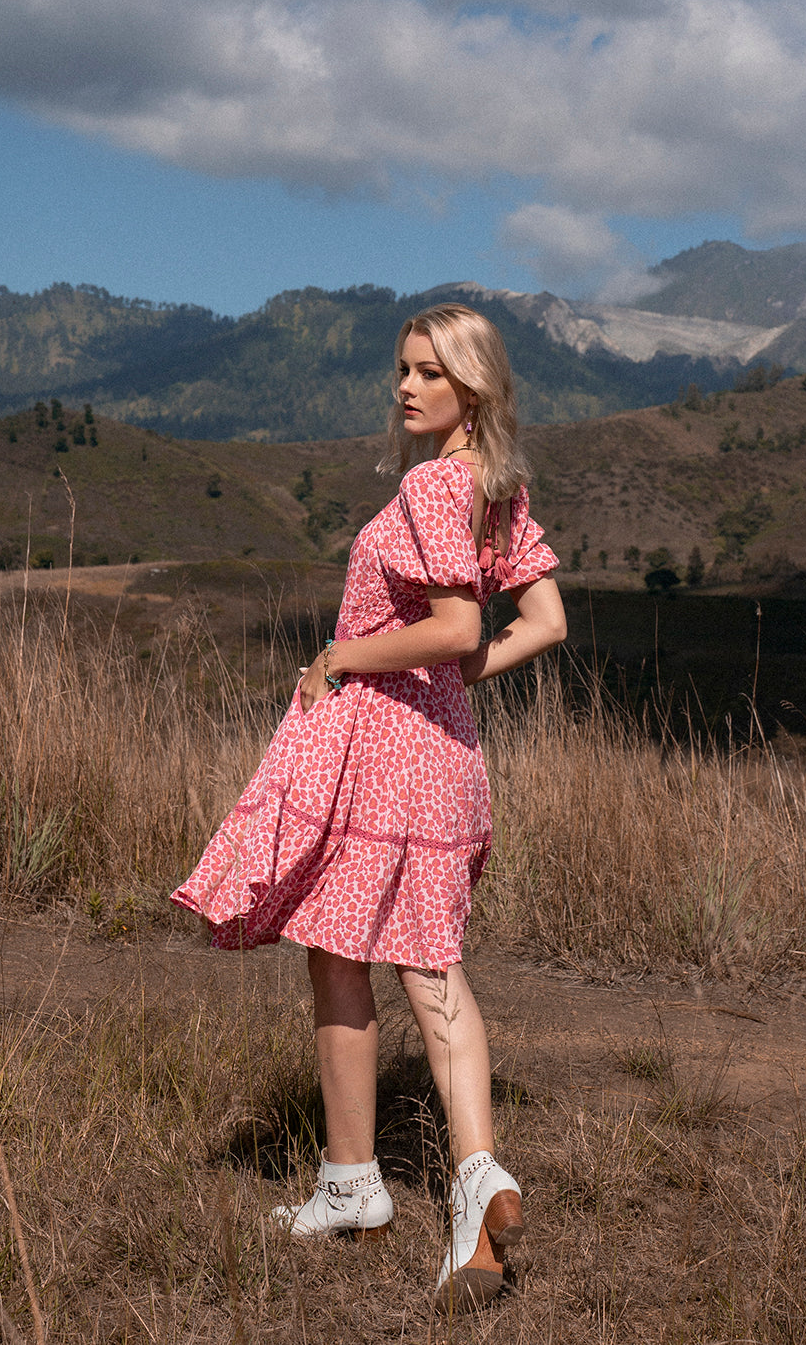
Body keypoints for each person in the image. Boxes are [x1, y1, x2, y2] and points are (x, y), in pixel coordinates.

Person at [172, 303, 566, 1312]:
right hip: (445, 754)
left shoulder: (435, 485)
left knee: (383, 959)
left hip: (388, 752)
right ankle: (379, 1181)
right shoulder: (492, 485)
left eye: (428, 373)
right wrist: (465, 673)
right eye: (401, 368)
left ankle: (437, 1183)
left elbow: (450, 623)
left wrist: (346, 655)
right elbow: (545, 623)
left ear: (469, 387)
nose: (404, 386)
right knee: (382, 957)